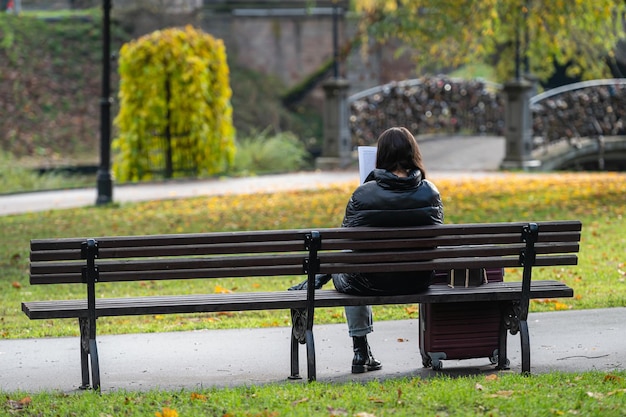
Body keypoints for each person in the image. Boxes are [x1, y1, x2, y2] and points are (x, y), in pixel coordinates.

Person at [319, 126, 444, 373]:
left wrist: (367, 186)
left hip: (367, 282)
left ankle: (360, 352)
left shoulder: (364, 194)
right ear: (413, 154)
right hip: (417, 279)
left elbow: (346, 243)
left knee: (350, 264)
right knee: (353, 264)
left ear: (381, 156)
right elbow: (435, 238)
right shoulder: (430, 191)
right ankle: (433, 348)